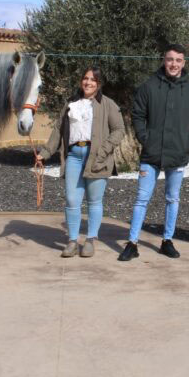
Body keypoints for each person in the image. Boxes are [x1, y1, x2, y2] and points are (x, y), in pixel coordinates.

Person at [118, 44, 189, 261]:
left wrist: (188, 143)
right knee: (141, 199)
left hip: (178, 154)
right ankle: (132, 243)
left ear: (184, 63)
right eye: (170, 59)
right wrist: (146, 140)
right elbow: (137, 115)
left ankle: (167, 241)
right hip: (151, 154)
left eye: (178, 60)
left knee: (172, 198)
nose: (174, 64)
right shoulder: (149, 86)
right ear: (163, 60)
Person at [38, 66, 124, 258]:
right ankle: (72, 241)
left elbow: (119, 130)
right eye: (85, 78)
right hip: (74, 157)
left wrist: (104, 150)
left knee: (94, 201)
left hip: (98, 159)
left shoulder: (108, 104)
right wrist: (45, 152)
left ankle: (91, 240)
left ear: (99, 84)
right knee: (71, 200)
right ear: (81, 81)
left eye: (93, 80)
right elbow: (58, 129)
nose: (88, 82)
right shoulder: (71, 103)